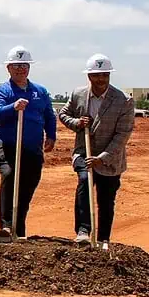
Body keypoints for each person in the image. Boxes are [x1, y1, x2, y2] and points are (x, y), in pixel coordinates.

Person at [57, 53, 135, 250]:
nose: (100, 79)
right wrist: (76, 123)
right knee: (84, 182)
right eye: (96, 75)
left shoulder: (123, 100)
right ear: (89, 76)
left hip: (110, 159)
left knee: (106, 199)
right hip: (84, 152)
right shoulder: (78, 94)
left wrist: (102, 158)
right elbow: (63, 114)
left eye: (104, 75)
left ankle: (103, 239)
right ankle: (83, 231)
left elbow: (122, 134)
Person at [0, 45, 56, 242]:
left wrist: (51, 135)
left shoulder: (40, 91)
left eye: (24, 65)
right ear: (8, 68)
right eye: (16, 66)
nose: (20, 69)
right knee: (9, 176)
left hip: (33, 148)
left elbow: (49, 115)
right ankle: (6, 226)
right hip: (7, 146)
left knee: (27, 185)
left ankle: (19, 227)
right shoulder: (2, 91)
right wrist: (13, 107)